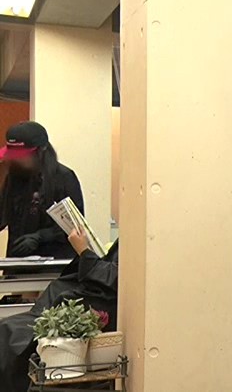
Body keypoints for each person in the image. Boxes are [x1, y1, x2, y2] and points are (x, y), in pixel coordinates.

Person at [0, 229, 119, 392]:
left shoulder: (138, 242)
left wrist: (84, 251)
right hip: (66, 301)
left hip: (94, 305)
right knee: (8, 328)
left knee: (9, 333)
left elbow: (117, 278)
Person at [0, 121, 84, 259]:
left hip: (55, 262)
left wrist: (40, 237)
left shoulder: (63, 177)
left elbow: (75, 225)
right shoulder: (13, 178)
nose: (17, 160)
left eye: (22, 155)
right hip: (18, 261)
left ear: (41, 149)